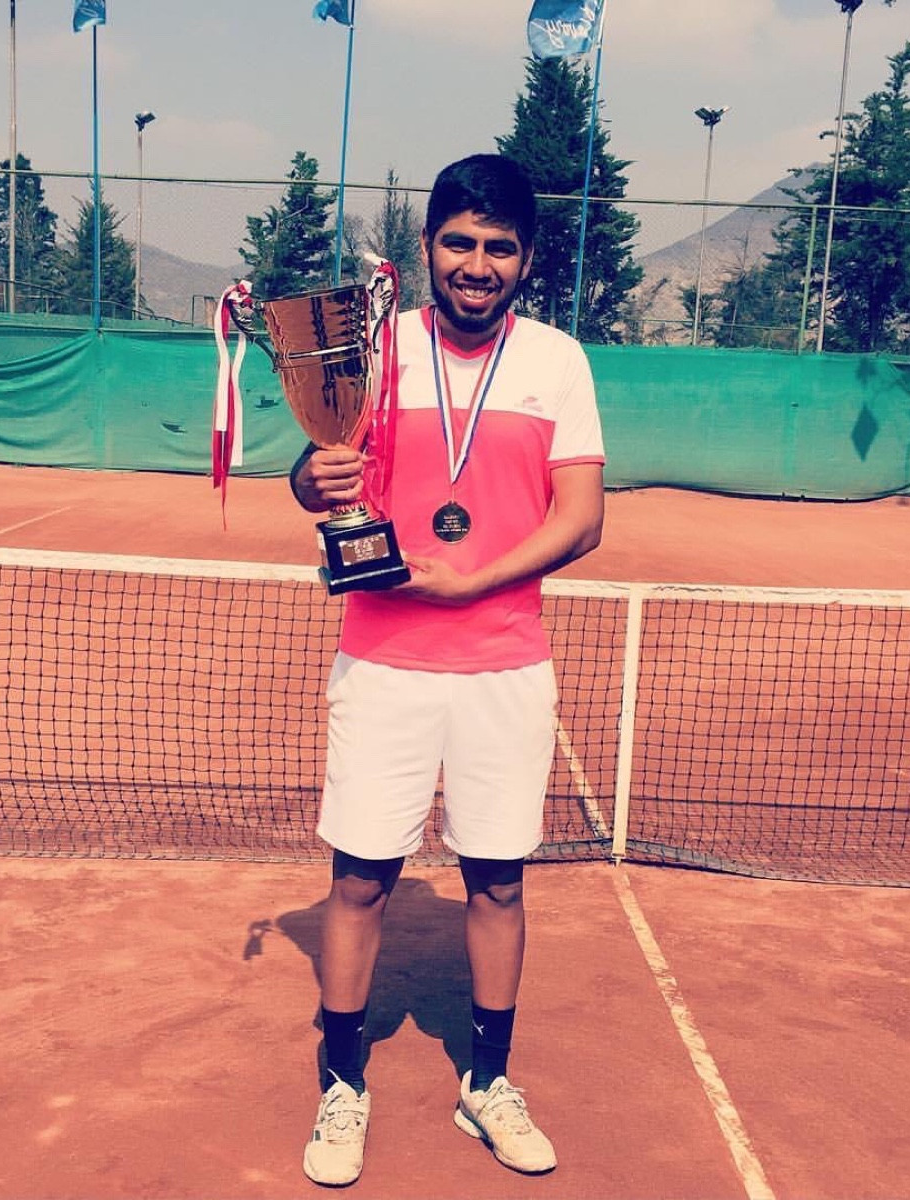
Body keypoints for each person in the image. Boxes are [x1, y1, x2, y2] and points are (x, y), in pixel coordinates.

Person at [289, 153, 605, 1188]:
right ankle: (343, 1084)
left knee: (499, 880)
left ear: (527, 259)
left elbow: (582, 519)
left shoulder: (557, 362)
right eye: (459, 242)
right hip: (382, 661)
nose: (477, 264)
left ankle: (489, 1083)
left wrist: (472, 583)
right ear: (428, 248)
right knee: (359, 879)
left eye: (498, 247)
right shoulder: (373, 350)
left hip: (505, 666)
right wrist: (312, 476)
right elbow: (314, 474)